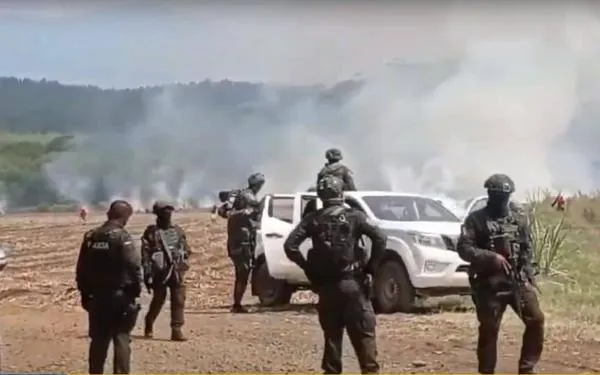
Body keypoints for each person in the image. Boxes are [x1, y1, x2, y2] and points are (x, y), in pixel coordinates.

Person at [284, 175, 386, 374]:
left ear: (321, 195)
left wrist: (308, 268)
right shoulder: (355, 216)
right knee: (364, 337)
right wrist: (371, 268)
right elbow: (380, 238)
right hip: (353, 285)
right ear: (341, 193)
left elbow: (290, 246)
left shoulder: (312, 219)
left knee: (332, 338)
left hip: (327, 288)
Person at [457, 173, 544, 374]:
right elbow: (464, 248)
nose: (501, 200)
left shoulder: (518, 219)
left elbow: (526, 249)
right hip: (489, 284)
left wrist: (529, 276)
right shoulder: (476, 220)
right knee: (489, 329)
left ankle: (527, 368)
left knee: (536, 320)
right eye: (496, 196)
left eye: (504, 196)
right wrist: (490, 257)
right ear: (489, 195)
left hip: (517, 280)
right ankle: (487, 371)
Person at [75, 200, 141, 374]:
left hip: (97, 297)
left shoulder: (91, 236)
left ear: (108, 214)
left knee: (98, 340)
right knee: (121, 337)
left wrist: (84, 293)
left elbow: (81, 268)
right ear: (126, 217)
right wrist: (136, 289)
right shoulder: (122, 237)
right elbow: (133, 265)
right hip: (120, 297)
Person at [142, 201, 191, 341]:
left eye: (170, 211)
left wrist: (182, 254)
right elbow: (145, 254)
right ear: (158, 214)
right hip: (159, 272)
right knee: (159, 299)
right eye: (165, 211)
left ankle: (176, 329)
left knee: (179, 299)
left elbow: (187, 249)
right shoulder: (151, 232)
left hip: (176, 271)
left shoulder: (178, 231)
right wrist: (147, 274)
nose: (168, 214)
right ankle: (149, 322)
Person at [227, 172, 265, 313]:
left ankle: (237, 303)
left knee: (243, 273)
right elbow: (253, 209)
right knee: (242, 273)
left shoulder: (241, 207)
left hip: (243, 242)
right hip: (241, 243)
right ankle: (237, 305)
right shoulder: (245, 204)